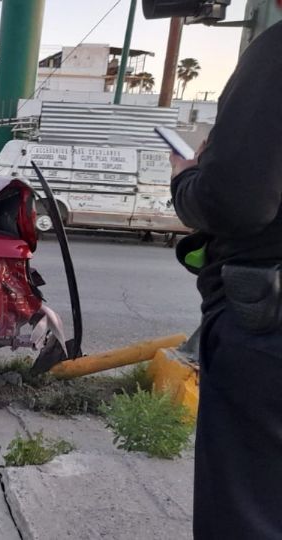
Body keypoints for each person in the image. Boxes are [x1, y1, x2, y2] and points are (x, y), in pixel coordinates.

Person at [168, 21, 282, 539]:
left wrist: (186, 179)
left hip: (265, 329)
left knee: (246, 519)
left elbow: (234, 200)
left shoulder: (277, 52)